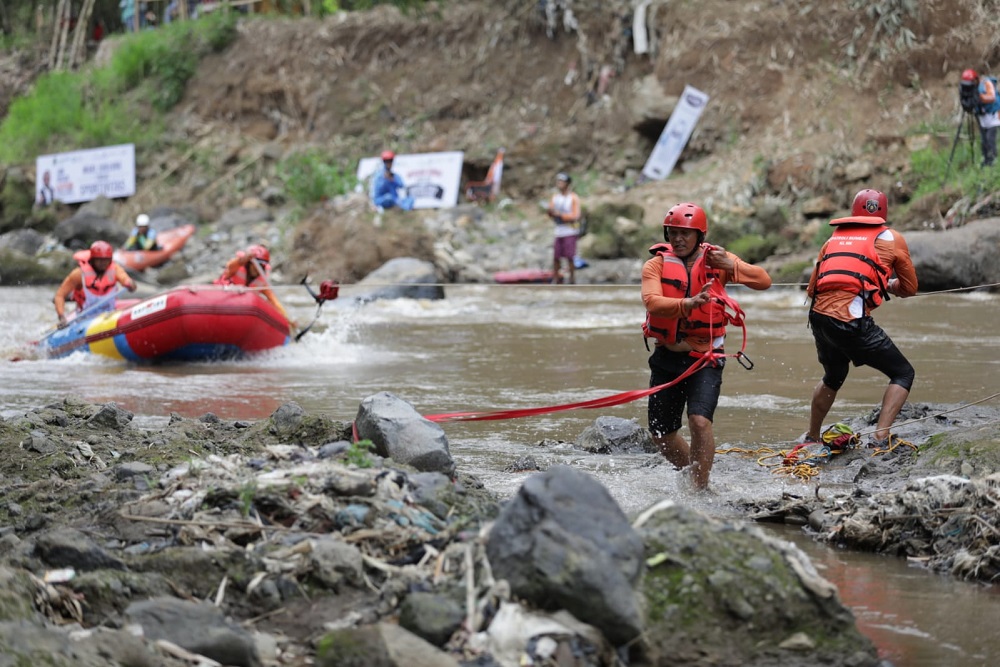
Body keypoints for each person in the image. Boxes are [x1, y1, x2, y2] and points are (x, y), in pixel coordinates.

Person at [641, 202, 772, 491]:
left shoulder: (718, 261)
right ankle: (695, 472)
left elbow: (764, 281)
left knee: (700, 421)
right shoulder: (656, 265)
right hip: (668, 356)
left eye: (685, 234)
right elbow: (652, 301)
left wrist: (733, 266)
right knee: (662, 435)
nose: (678, 239)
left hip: (706, 357)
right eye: (673, 233)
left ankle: (700, 487)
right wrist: (688, 304)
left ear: (700, 236)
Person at [802, 189, 918, 449]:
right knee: (903, 373)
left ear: (854, 211)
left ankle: (811, 437)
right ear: (884, 214)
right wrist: (885, 285)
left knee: (833, 375)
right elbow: (910, 289)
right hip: (850, 321)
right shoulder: (892, 238)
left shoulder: (833, 240)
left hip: (818, 317)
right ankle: (880, 437)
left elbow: (812, 289)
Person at [53, 240, 136, 327]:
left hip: (109, 313)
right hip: (85, 318)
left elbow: (125, 278)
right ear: (92, 259)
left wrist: (130, 283)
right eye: (99, 260)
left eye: (106, 260)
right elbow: (60, 296)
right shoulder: (78, 274)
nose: (103, 264)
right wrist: (61, 316)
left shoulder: (115, 269)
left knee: (136, 302)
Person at [215, 244, 292, 323]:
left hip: (241, 311)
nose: (257, 268)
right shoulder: (236, 267)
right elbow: (230, 266)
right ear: (248, 263)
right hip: (225, 301)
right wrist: (242, 260)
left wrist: (288, 320)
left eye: (261, 266)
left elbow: (274, 301)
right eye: (255, 265)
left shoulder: (262, 282)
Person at [546, 172, 581, 284]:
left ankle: (572, 279)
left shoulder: (573, 198)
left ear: (567, 184)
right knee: (556, 257)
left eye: (562, 182)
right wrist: (551, 213)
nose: (559, 184)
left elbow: (576, 215)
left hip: (570, 230)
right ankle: (556, 279)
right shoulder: (555, 198)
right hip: (559, 231)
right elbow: (551, 212)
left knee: (570, 256)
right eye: (558, 181)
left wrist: (561, 215)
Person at [960, 69, 1000, 167]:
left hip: (993, 116)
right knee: (983, 141)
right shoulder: (970, 90)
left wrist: (980, 97)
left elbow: (992, 97)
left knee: (990, 139)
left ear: (976, 80)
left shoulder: (986, 83)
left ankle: (993, 161)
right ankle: (986, 160)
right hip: (982, 117)